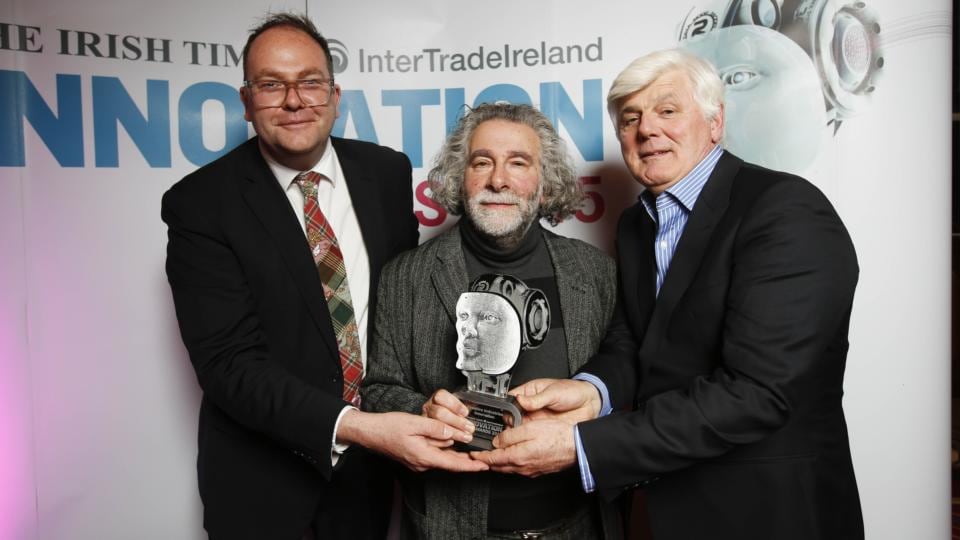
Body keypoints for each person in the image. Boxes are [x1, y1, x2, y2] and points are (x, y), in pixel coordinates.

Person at [472, 49, 865, 540]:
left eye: (667, 111)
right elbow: (637, 344)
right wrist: (592, 392)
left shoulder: (785, 211)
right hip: (668, 507)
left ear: (715, 122)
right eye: (631, 118)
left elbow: (757, 392)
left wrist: (581, 444)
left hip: (770, 510)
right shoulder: (638, 224)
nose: (647, 129)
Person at [161, 13, 483, 540]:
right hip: (260, 484)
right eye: (271, 85)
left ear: (334, 95)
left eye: (309, 82)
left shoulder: (385, 172)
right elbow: (228, 365)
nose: (294, 100)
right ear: (246, 101)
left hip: (369, 478)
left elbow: (401, 314)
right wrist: (362, 429)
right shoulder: (200, 204)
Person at [362, 102, 623, 539]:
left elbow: (622, 373)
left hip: (578, 524)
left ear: (544, 183)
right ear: (461, 179)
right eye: (482, 162)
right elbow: (378, 391)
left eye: (518, 163)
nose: (498, 180)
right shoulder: (404, 276)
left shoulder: (595, 272)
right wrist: (424, 411)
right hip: (449, 526)